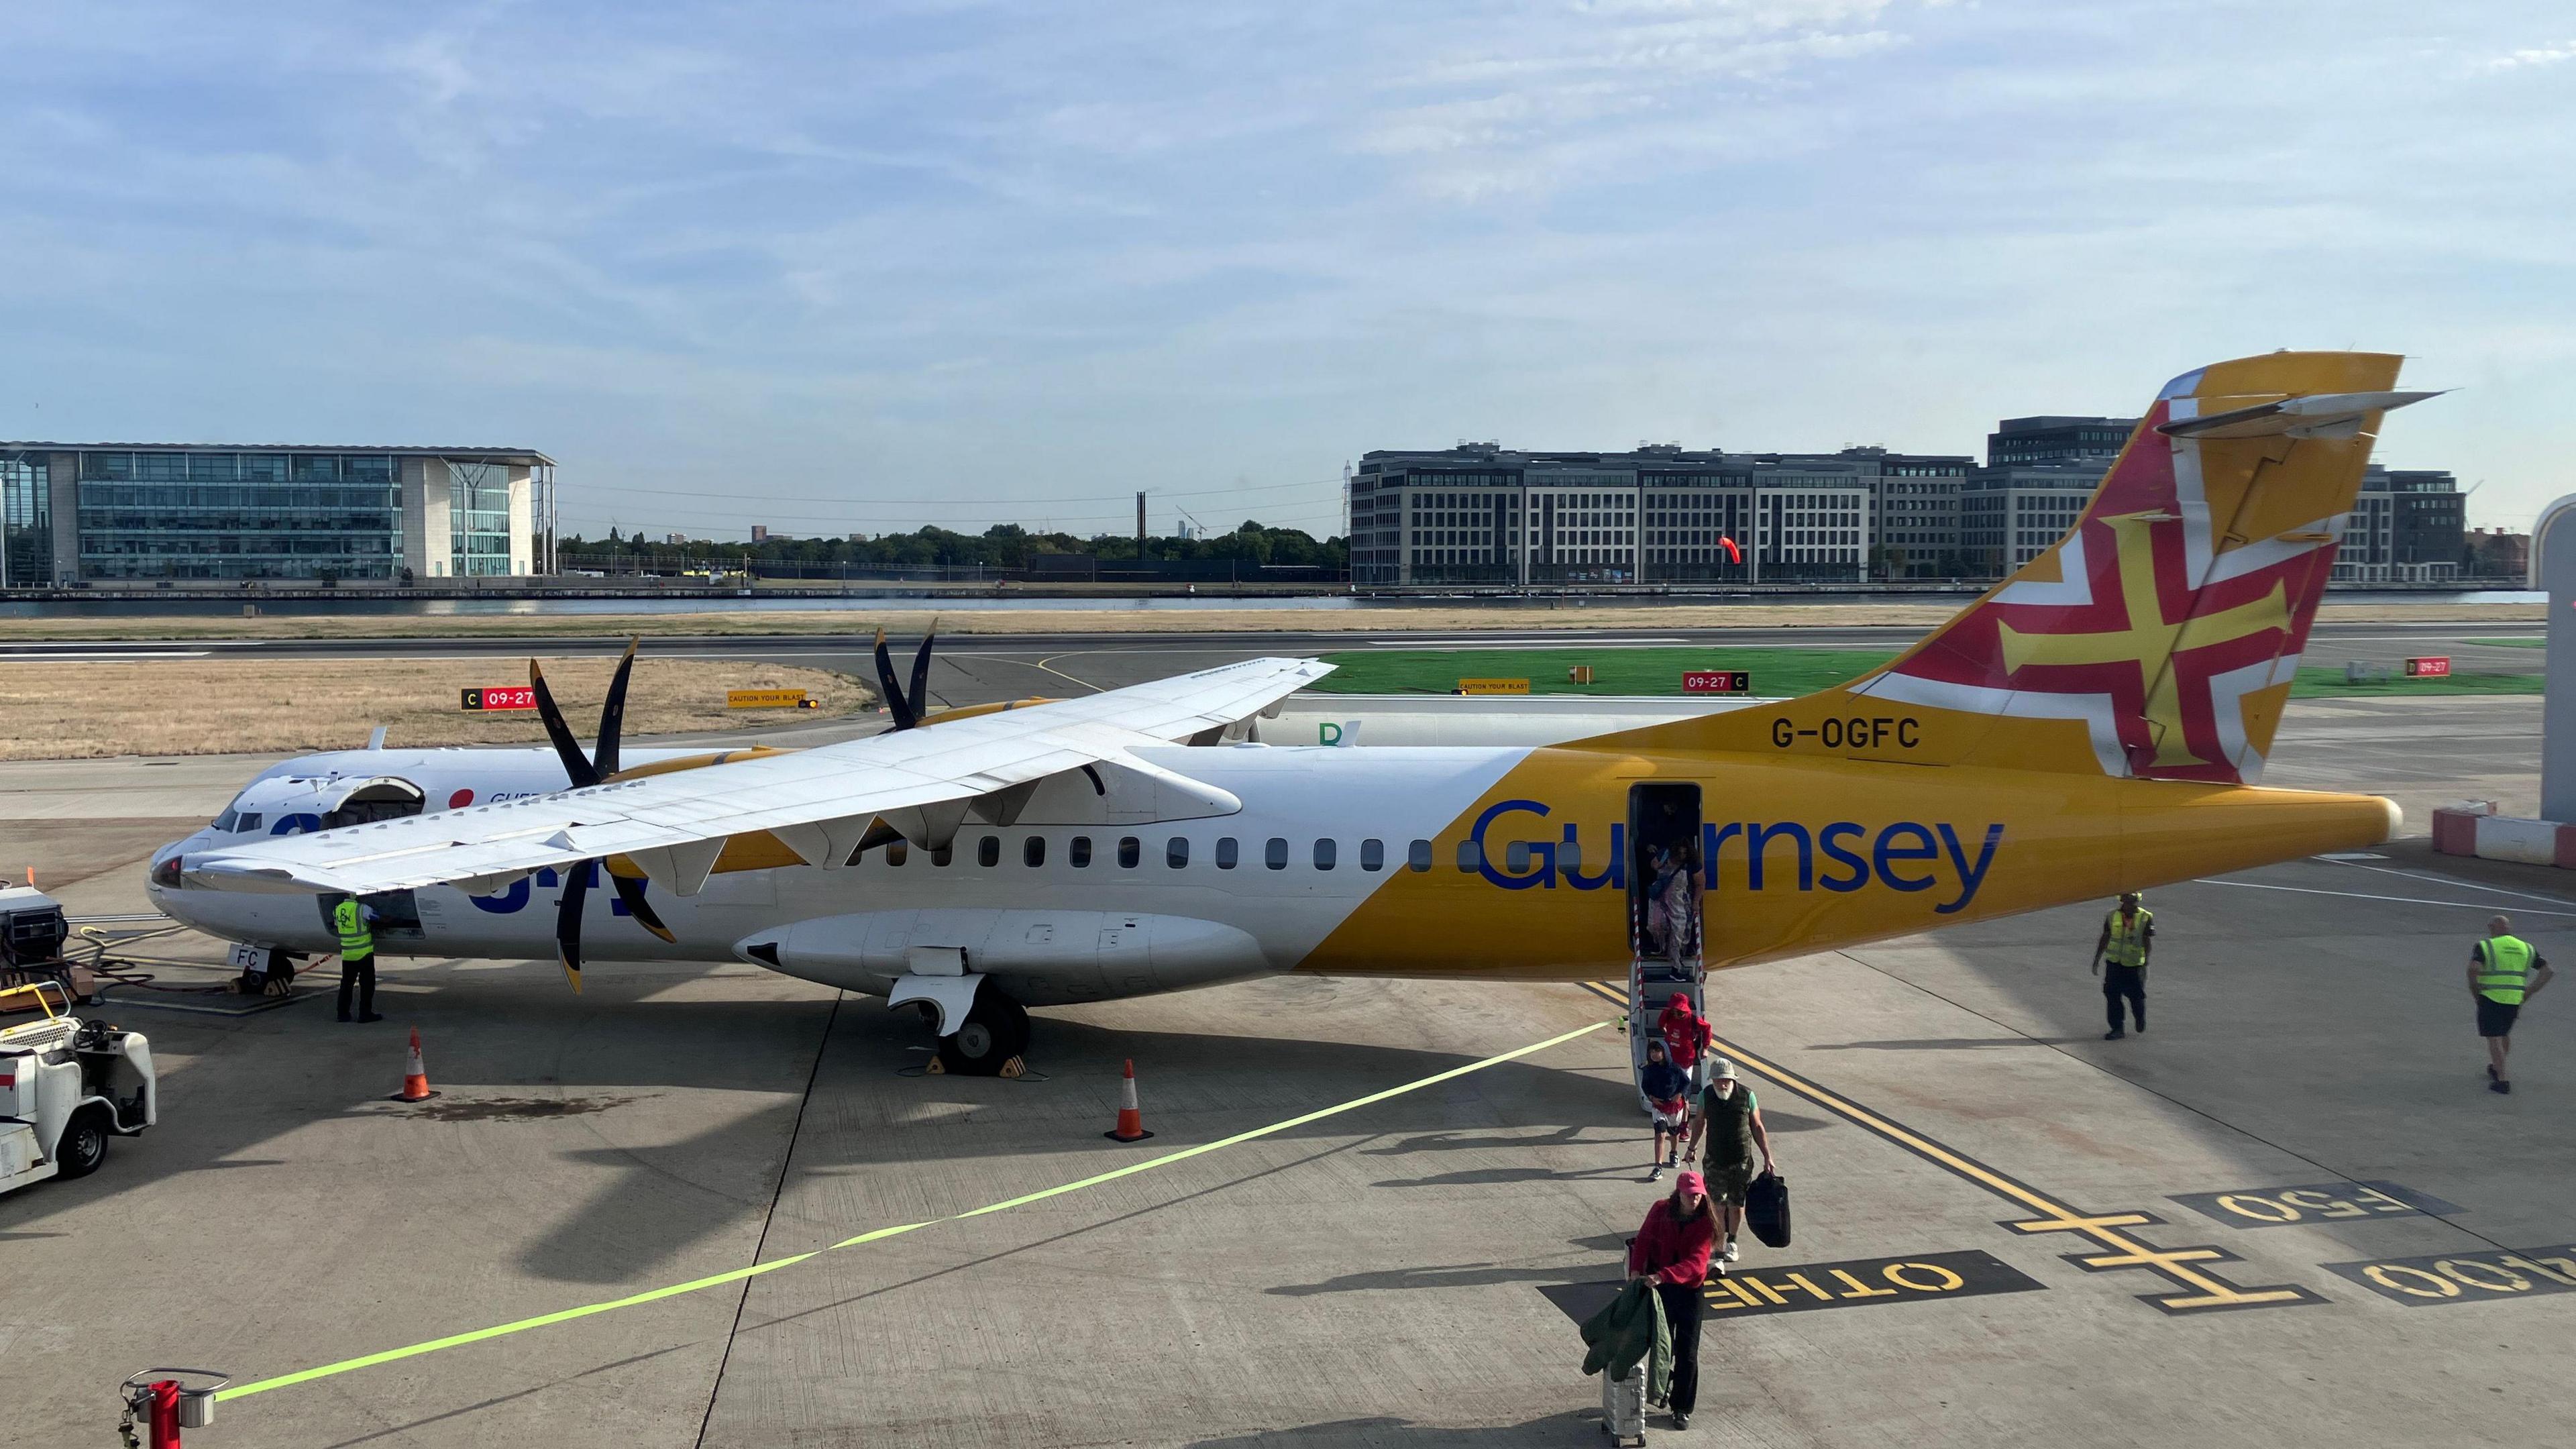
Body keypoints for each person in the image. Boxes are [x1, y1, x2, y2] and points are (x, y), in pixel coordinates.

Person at [1626, 1169, 1717, 1432]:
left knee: (1687, 1352)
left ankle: (1682, 1407)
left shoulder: (1705, 1222)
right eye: (1690, 1195)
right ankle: (1663, 1388)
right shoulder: (1661, 1210)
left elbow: (1697, 1265)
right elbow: (1643, 1239)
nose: (1695, 1200)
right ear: (1679, 1194)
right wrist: (1635, 1269)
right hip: (1663, 1289)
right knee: (1662, 1345)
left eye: (1698, 1194)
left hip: (1689, 1291)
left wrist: (1662, 1275)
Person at [1686, 1057, 1774, 1269]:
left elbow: (1757, 1126)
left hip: (1741, 1161)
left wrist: (1767, 1156)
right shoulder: (1705, 1096)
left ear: (1733, 1079)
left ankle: (1732, 1241)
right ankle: (1717, 1246)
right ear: (1712, 1081)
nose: (1722, 1084)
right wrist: (1692, 1148)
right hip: (1715, 1159)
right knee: (1716, 1204)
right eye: (1718, 1080)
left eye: (1726, 1080)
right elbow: (1700, 1123)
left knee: (1736, 1204)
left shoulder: (1747, 1096)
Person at [2470, 914, 2551, 1094]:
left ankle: (2502, 1080)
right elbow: (2548, 971)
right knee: (2504, 1034)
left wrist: (2475, 991)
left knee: (2493, 1038)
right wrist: (2528, 992)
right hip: (2514, 999)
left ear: (2492, 928)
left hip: (2491, 997)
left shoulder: (2486, 946)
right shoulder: (2526, 947)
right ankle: (2497, 1067)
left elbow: (2474, 969)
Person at [2091, 891, 2153, 1040]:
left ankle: (2139, 1016)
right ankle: (2117, 1028)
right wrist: (2097, 959)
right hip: (2114, 963)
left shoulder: (2146, 917)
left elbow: (2147, 941)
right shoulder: (2112, 915)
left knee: (2136, 996)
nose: (2129, 904)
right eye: (2126, 901)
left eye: (2132, 901)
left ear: (2137, 901)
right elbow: (2105, 937)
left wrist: (2146, 961)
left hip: (2134, 965)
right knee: (2112, 995)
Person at [1639, 1038, 1691, 1181]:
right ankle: (1658, 1167)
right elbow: (1645, 1086)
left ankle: (1674, 1152)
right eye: (1652, 1052)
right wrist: (1651, 1098)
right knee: (1660, 1134)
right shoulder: (1648, 1070)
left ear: (1664, 1052)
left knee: (1674, 1134)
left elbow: (1686, 1083)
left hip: (1675, 1108)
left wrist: (1680, 1094)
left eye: (1658, 1051)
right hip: (1659, 1108)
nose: (1654, 1055)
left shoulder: (1675, 1068)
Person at [333, 894, 383, 1024]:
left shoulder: (338, 909)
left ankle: (342, 1015)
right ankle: (365, 1014)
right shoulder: (362, 909)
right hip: (363, 953)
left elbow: (337, 924)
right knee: (367, 985)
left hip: (348, 954)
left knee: (346, 985)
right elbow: (377, 918)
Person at [1657, 992, 1714, 1091]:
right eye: (1676, 1011)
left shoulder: (1693, 1020)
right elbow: (1661, 1024)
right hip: (1669, 1054)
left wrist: (1705, 1048)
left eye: (1681, 1012)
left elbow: (1707, 1028)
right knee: (1668, 1083)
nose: (1678, 1014)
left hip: (1685, 1058)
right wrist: (1663, 1029)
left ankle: (1684, 1100)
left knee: (1685, 1084)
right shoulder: (1668, 1014)